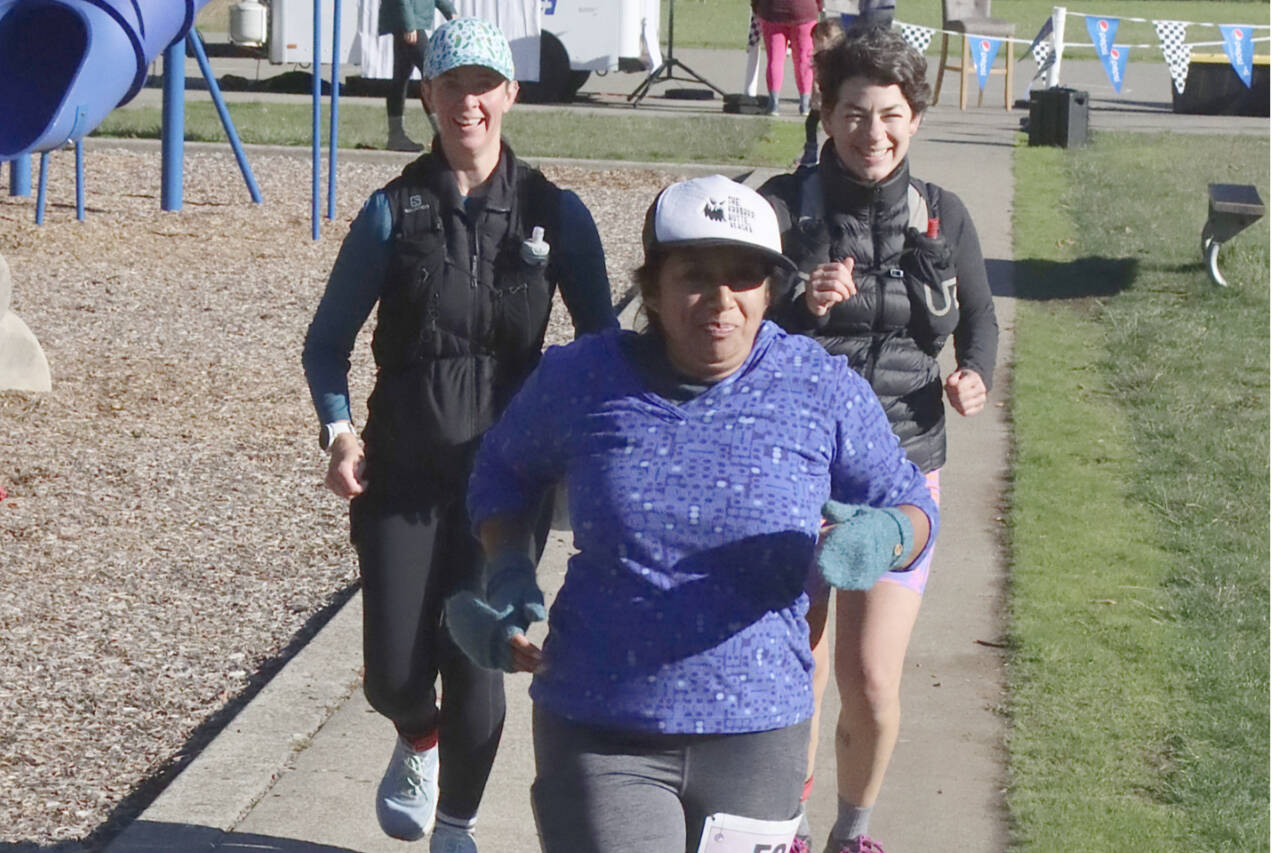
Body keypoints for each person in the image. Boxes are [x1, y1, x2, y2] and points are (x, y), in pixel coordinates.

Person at [446, 174, 940, 853]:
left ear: (771, 290)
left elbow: (915, 508)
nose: (722, 299)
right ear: (652, 286)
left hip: (759, 728)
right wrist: (503, 570)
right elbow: (502, 471)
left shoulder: (817, 386)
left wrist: (886, 535)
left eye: (744, 277)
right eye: (695, 275)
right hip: (600, 722)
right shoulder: (585, 378)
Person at [301, 17, 617, 853]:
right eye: (451, 86)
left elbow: (603, 346)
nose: (468, 103)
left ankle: (457, 827)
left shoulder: (555, 214)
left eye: (484, 86)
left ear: (510, 94)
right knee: (394, 673)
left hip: (508, 481)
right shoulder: (392, 212)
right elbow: (325, 342)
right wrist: (339, 433)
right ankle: (417, 735)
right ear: (429, 96)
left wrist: (590, 444)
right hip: (402, 470)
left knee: (479, 657)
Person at [759, 26, 998, 853]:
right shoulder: (782, 208)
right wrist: (801, 304)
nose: (874, 133)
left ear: (916, 118)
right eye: (855, 113)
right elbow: (726, 327)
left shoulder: (945, 213)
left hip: (904, 472)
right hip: (796, 469)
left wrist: (974, 375)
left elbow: (980, 317)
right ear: (826, 114)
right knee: (800, 669)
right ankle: (780, 826)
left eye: (892, 114)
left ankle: (851, 833)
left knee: (870, 677)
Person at [380, 0, 456, 152]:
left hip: (410, 21)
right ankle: (443, 136)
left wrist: (450, 12)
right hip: (408, 22)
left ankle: (396, 136)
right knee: (431, 75)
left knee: (400, 78)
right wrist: (409, 25)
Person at [752, 0, 822, 115]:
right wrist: (818, 5)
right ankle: (805, 104)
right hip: (804, 10)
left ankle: (773, 103)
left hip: (772, 10)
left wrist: (756, 5)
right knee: (803, 59)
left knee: (775, 59)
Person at [797, 17, 846, 167]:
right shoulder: (829, 57)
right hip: (823, 98)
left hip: (830, 98)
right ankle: (812, 152)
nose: (813, 46)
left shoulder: (832, 58)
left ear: (824, 38)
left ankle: (836, 153)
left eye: (815, 42)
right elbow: (815, 78)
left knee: (834, 126)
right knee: (812, 123)